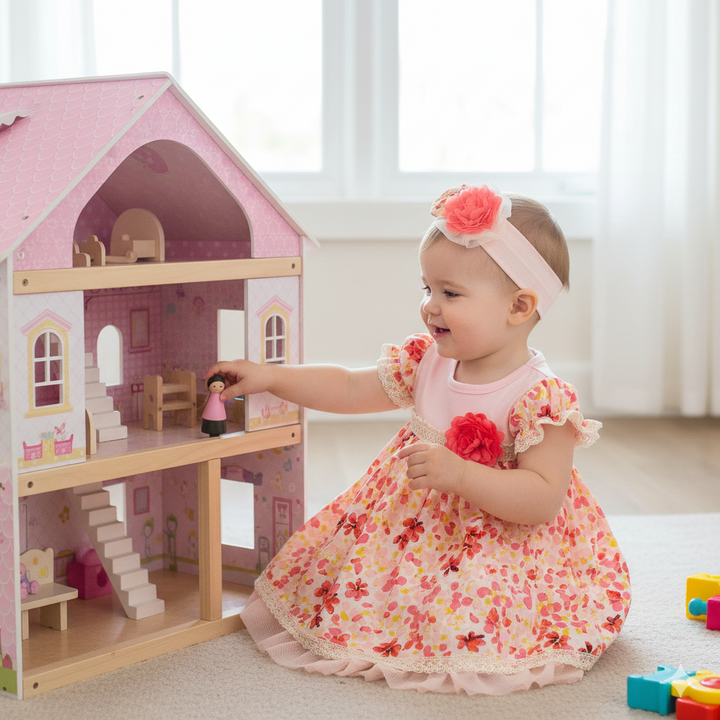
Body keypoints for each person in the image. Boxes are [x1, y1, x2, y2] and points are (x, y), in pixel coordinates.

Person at [206, 185, 631, 695]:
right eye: (427, 288)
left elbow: (541, 499)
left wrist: (463, 474)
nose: (430, 306)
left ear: (519, 306)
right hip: (412, 528)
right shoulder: (428, 360)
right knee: (361, 583)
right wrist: (271, 377)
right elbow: (349, 387)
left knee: (472, 604)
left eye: (450, 294)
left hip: (500, 540)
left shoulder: (540, 399)